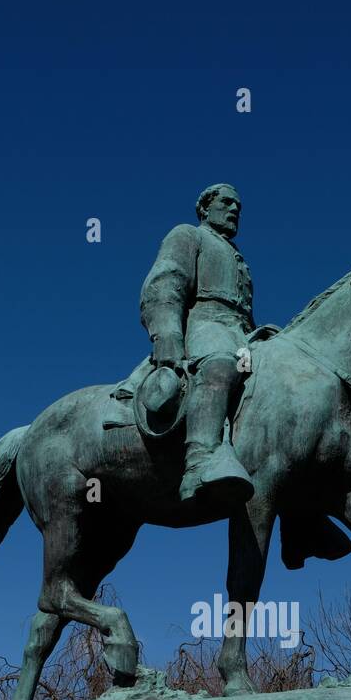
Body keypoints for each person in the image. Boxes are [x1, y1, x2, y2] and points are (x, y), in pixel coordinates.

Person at [140, 184, 256, 502]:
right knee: (220, 365)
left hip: (241, 332)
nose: (234, 209)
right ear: (205, 208)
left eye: (239, 206)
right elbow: (167, 281)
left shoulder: (238, 257)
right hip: (204, 325)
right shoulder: (188, 234)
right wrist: (167, 334)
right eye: (226, 202)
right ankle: (200, 462)